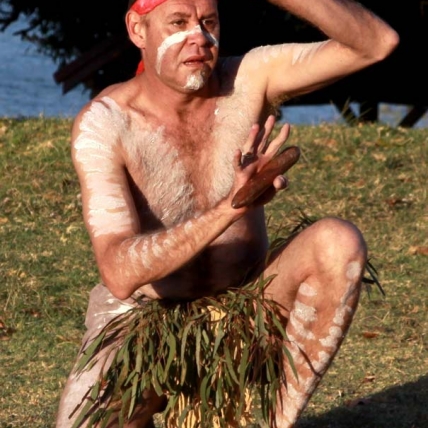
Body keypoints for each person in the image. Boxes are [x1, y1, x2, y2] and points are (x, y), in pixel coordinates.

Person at [55, 0, 399, 427]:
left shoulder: (251, 78)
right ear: (137, 29)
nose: (198, 36)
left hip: (250, 306)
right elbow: (119, 270)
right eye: (178, 22)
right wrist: (231, 207)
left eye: (209, 22)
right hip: (144, 320)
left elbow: (376, 44)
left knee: (337, 243)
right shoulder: (106, 123)